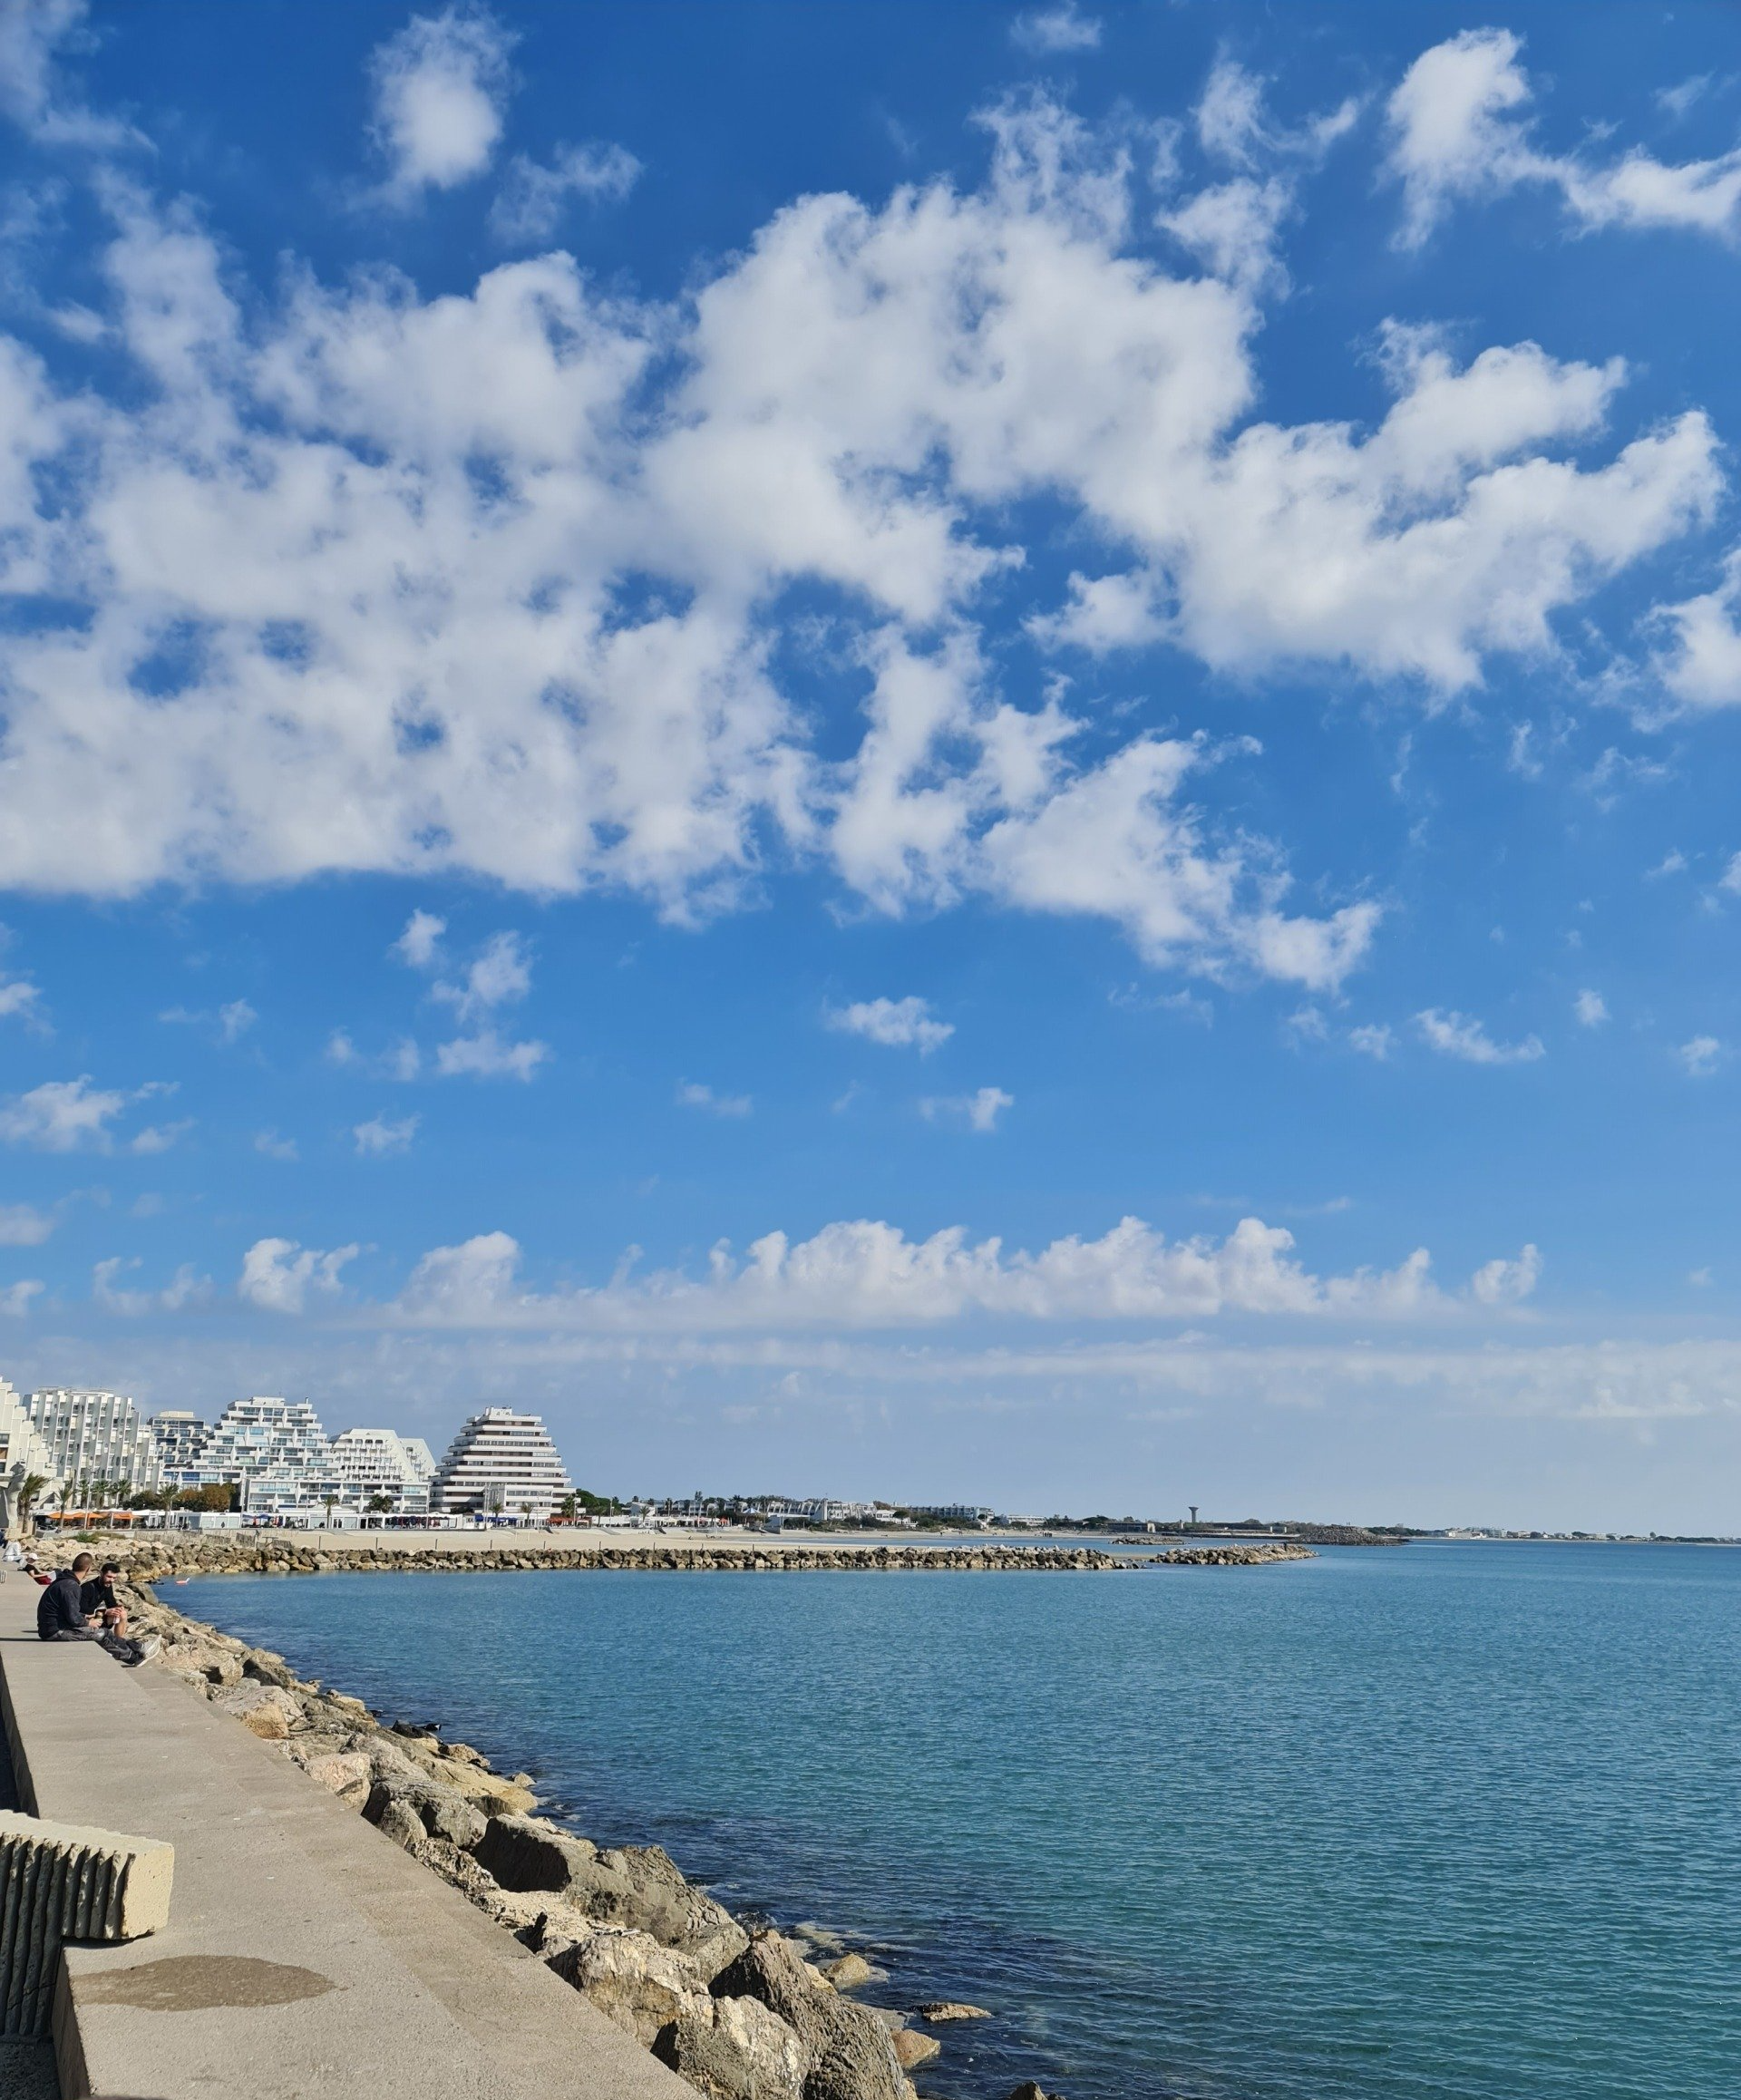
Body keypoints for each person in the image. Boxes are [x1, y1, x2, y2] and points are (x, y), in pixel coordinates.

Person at [36, 1552, 158, 1666]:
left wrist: (87, 1618)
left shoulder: (64, 1581)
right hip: (54, 1631)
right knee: (101, 1634)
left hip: (52, 1627)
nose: (111, 1580)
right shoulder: (72, 1586)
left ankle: (139, 1648)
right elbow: (74, 1618)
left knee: (105, 1632)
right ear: (88, 1570)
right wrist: (89, 1622)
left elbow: (67, 1612)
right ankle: (134, 1658)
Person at [80, 1560, 131, 1638]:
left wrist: (118, 1608)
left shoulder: (107, 1586)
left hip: (98, 1616)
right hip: (85, 1618)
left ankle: (119, 1640)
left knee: (122, 1613)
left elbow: (111, 1603)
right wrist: (105, 1611)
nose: (112, 1580)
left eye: (114, 1578)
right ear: (101, 1574)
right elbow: (82, 1609)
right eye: (109, 1577)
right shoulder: (87, 1587)